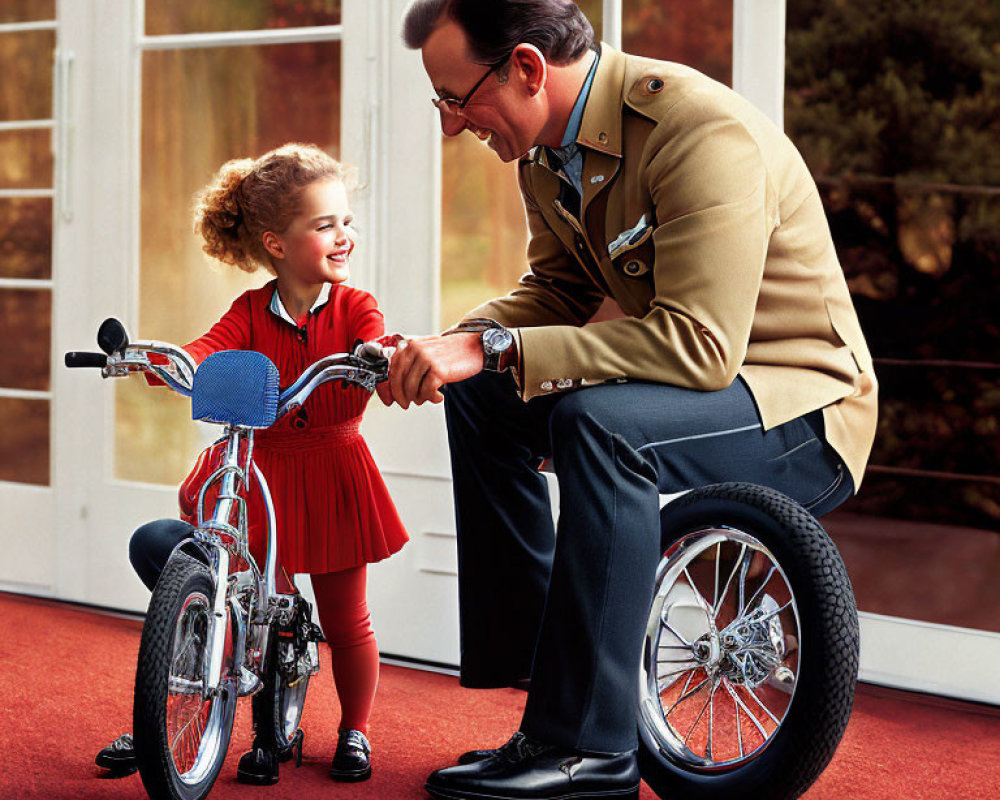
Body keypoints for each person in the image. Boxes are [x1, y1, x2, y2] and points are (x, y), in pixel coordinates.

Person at [384, 2, 879, 799]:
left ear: (525, 68)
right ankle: (549, 694)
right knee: (481, 395)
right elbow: (558, 292)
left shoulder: (696, 130)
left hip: (800, 405)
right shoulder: (546, 153)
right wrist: (446, 346)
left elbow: (697, 344)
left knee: (599, 425)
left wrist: (495, 348)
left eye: (454, 97)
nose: (449, 124)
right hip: (697, 387)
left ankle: (590, 751)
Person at [94, 143, 409, 785]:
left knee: (348, 619)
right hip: (261, 470)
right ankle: (190, 706)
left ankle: (355, 731)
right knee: (253, 603)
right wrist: (162, 361)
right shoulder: (249, 311)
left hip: (332, 471)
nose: (343, 236)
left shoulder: (355, 308)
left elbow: (375, 341)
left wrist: (380, 356)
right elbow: (209, 349)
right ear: (276, 243)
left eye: (346, 221)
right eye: (325, 226)